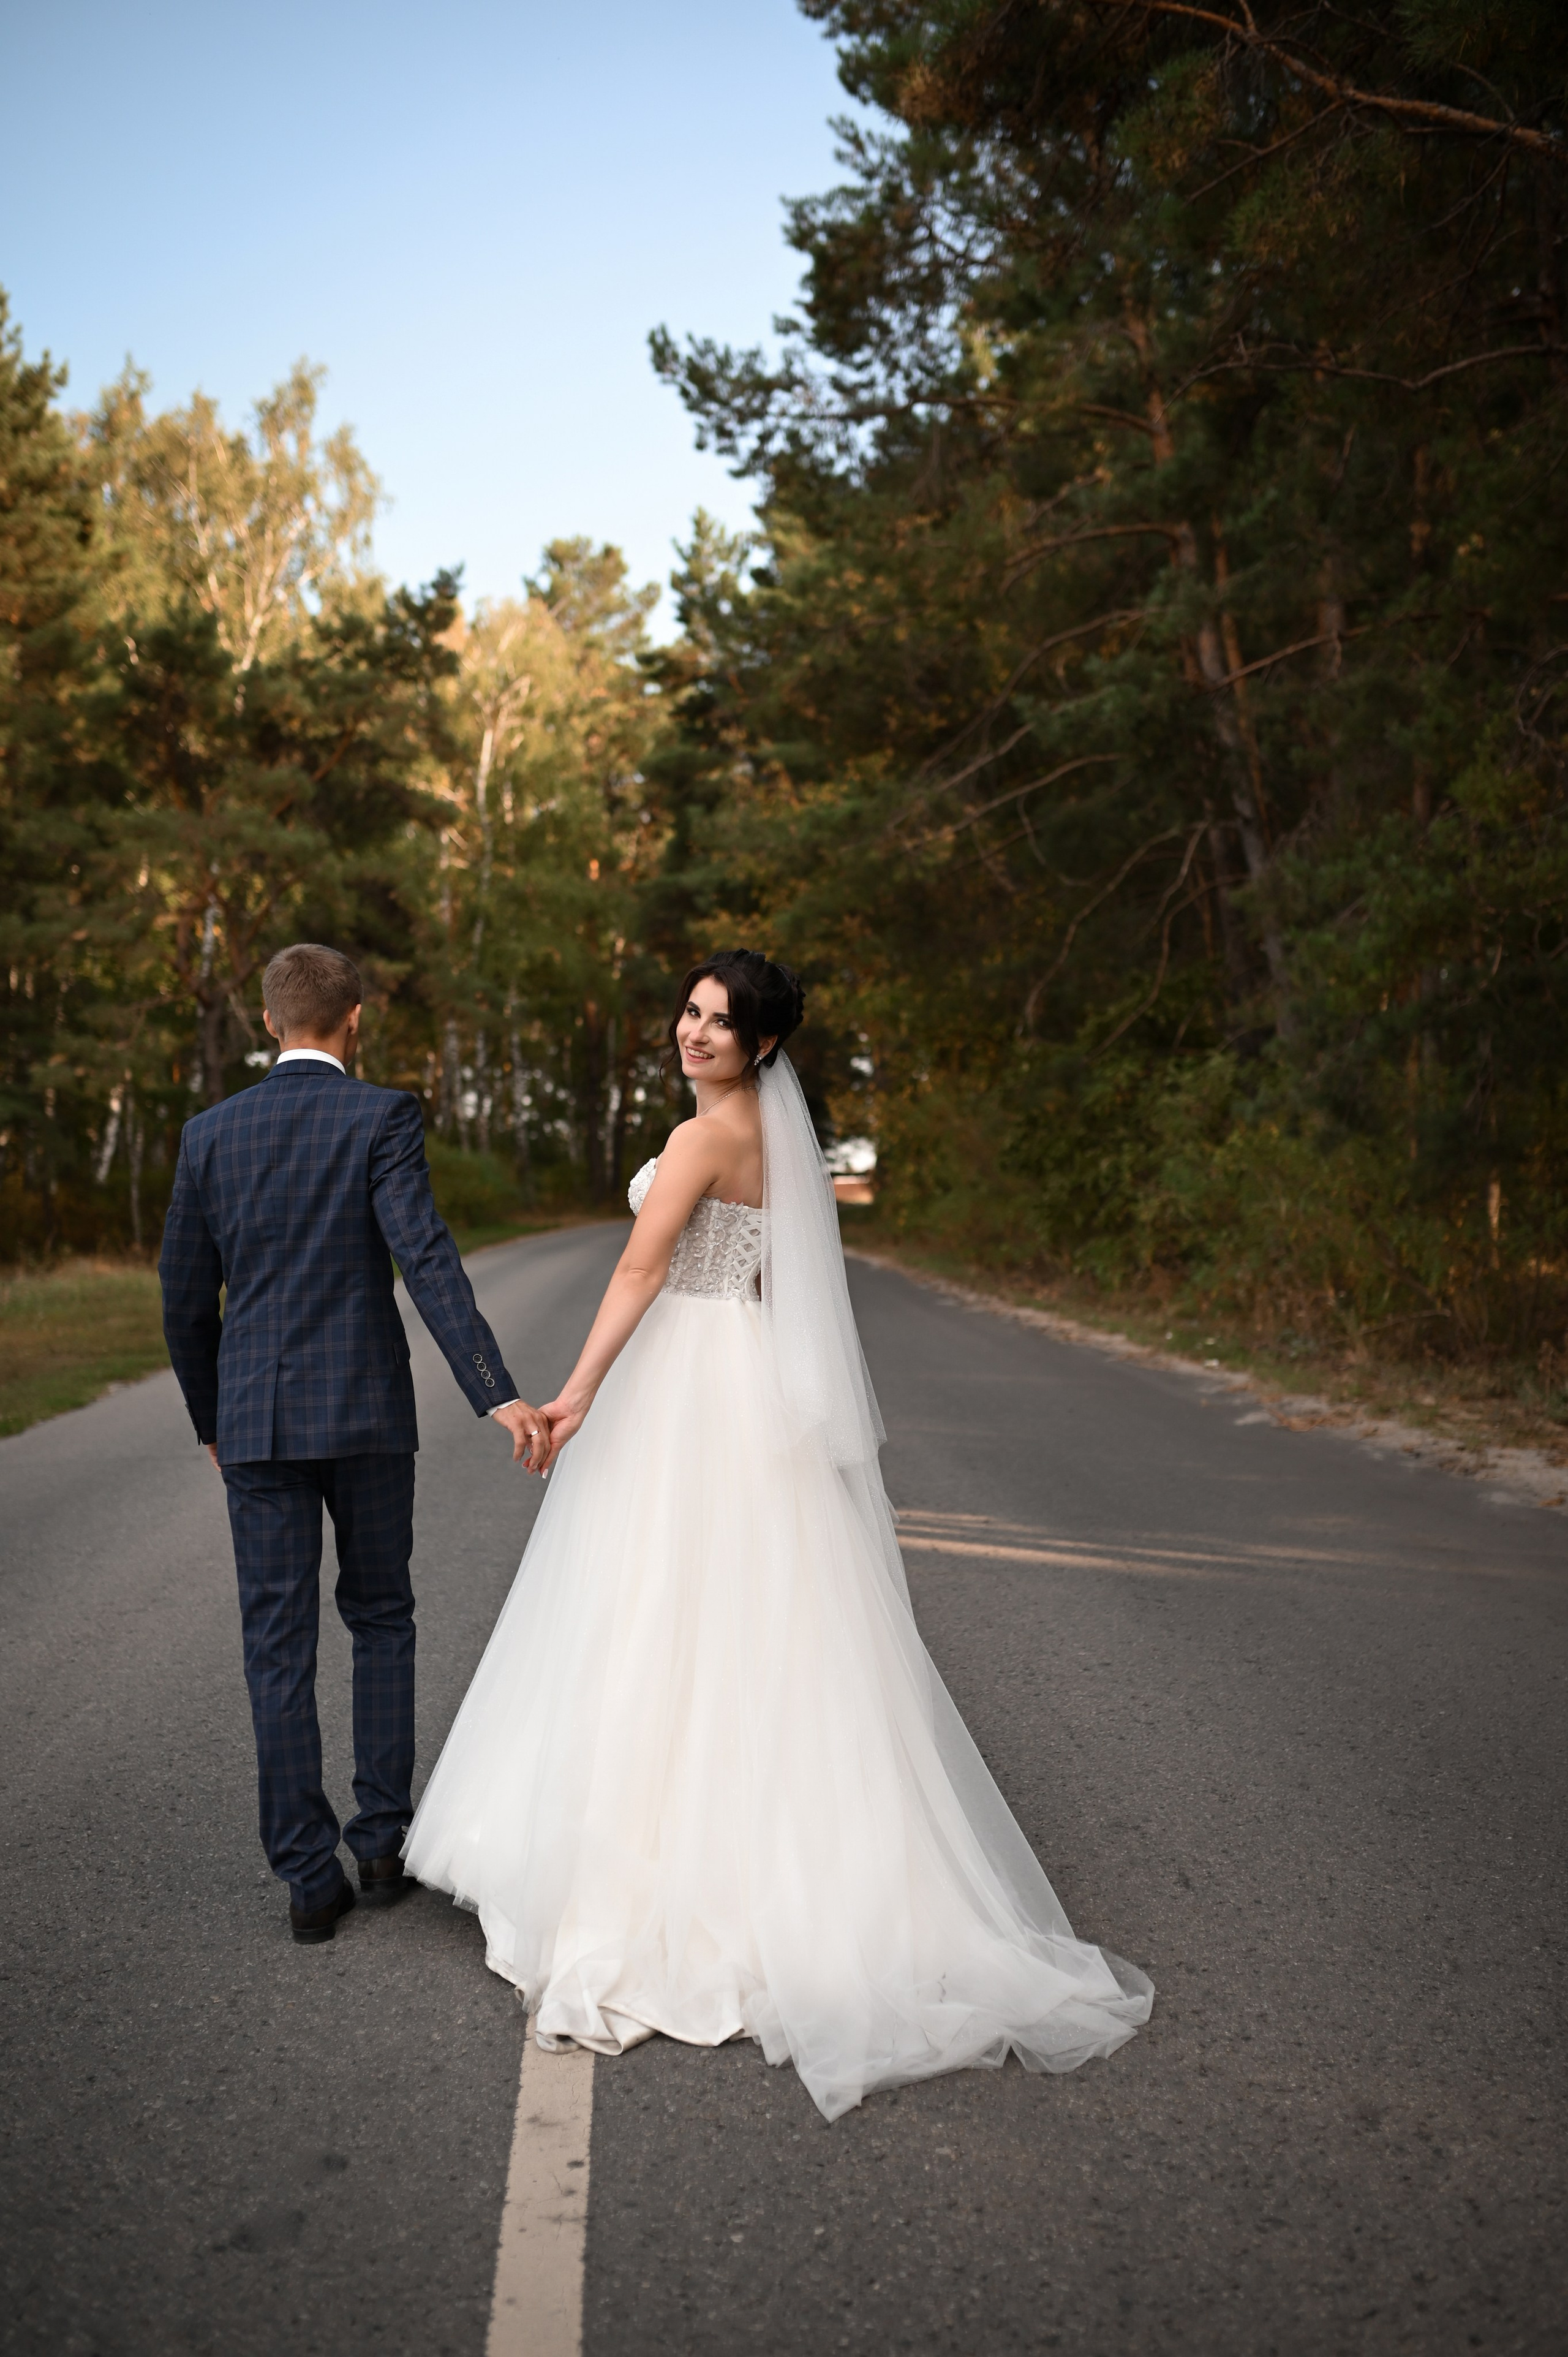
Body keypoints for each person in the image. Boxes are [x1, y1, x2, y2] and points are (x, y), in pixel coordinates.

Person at [404, 949, 1152, 2119]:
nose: (696, 1033)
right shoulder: (759, 1128)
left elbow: (644, 1269)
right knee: (759, 1621)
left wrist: (580, 1393)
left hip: (683, 1383)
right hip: (742, 1377)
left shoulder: (708, 1136)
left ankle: (652, 1875)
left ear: (762, 1044)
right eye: (691, 1013)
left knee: (655, 1608)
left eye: (722, 1023)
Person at [158, 942, 552, 1945]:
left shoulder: (208, 1135)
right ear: (356, 1020)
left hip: (256, 1426)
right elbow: (425, 1254)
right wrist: (493, 1391)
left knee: (275, 1644)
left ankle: (306, 1876)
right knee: (380, 1616)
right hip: (369, 1418)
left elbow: (183, 1301)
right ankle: (381, 1843)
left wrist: (214, 1418)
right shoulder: (380, 1116)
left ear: (267, 1022)